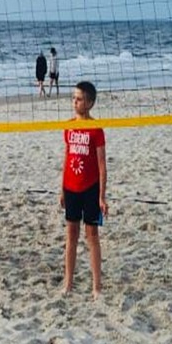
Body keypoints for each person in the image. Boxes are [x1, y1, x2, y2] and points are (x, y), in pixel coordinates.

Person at [60, 81, 108, 298]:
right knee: (71, 235)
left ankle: (96, 287)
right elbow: (66, 157)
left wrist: (102, 197)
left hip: (90, 188)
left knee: (92, 236)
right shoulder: (69, 126)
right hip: (71, 187)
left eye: (79, 99)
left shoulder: (96, 129)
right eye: (73, 98)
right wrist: (62, 189)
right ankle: (68, 284)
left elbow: (102, 165)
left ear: (89, 103)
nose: (74, 102)